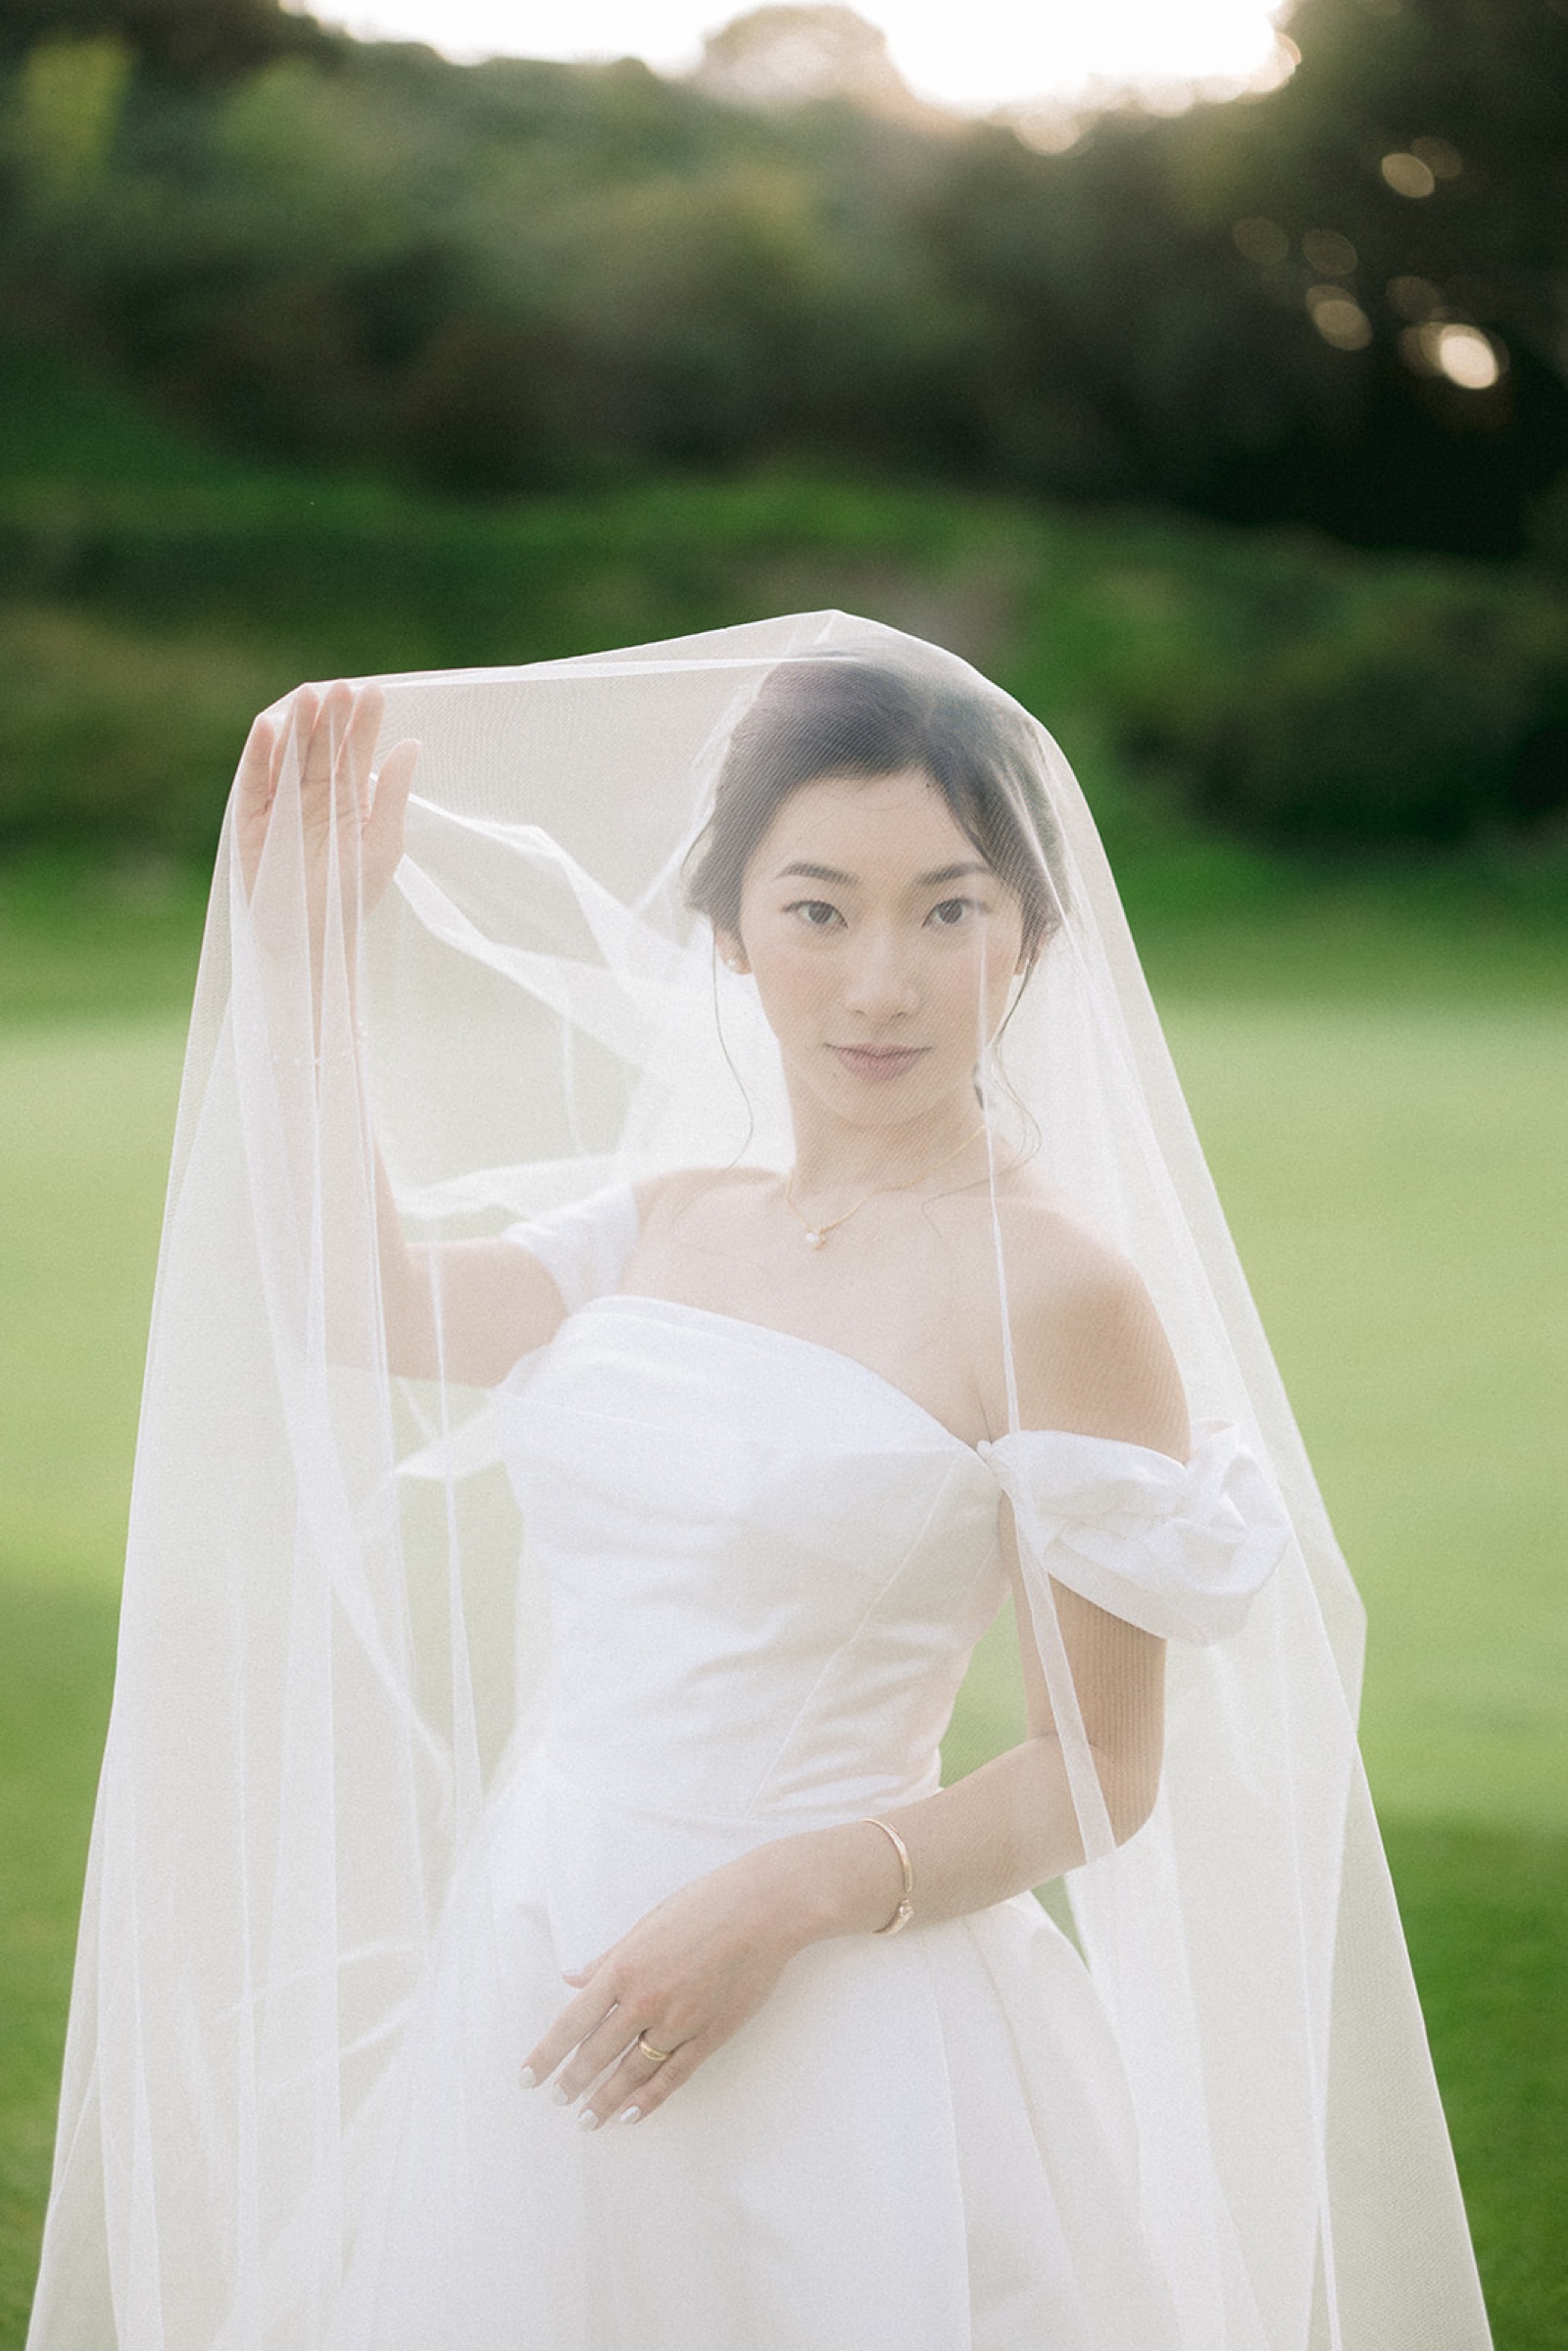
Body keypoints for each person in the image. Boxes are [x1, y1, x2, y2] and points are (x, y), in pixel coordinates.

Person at [27, 616, 1492, 2350]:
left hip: (840, 2018)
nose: (881, 985)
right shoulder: (671, 1221)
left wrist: (785, 1900)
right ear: (730, 930)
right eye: (819, 910)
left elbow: (1100, 1768)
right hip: (544, 1949)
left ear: (1030, 935)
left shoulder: (1059, 1293)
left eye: (947, 910)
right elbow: (356, 1300)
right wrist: (302, 961)